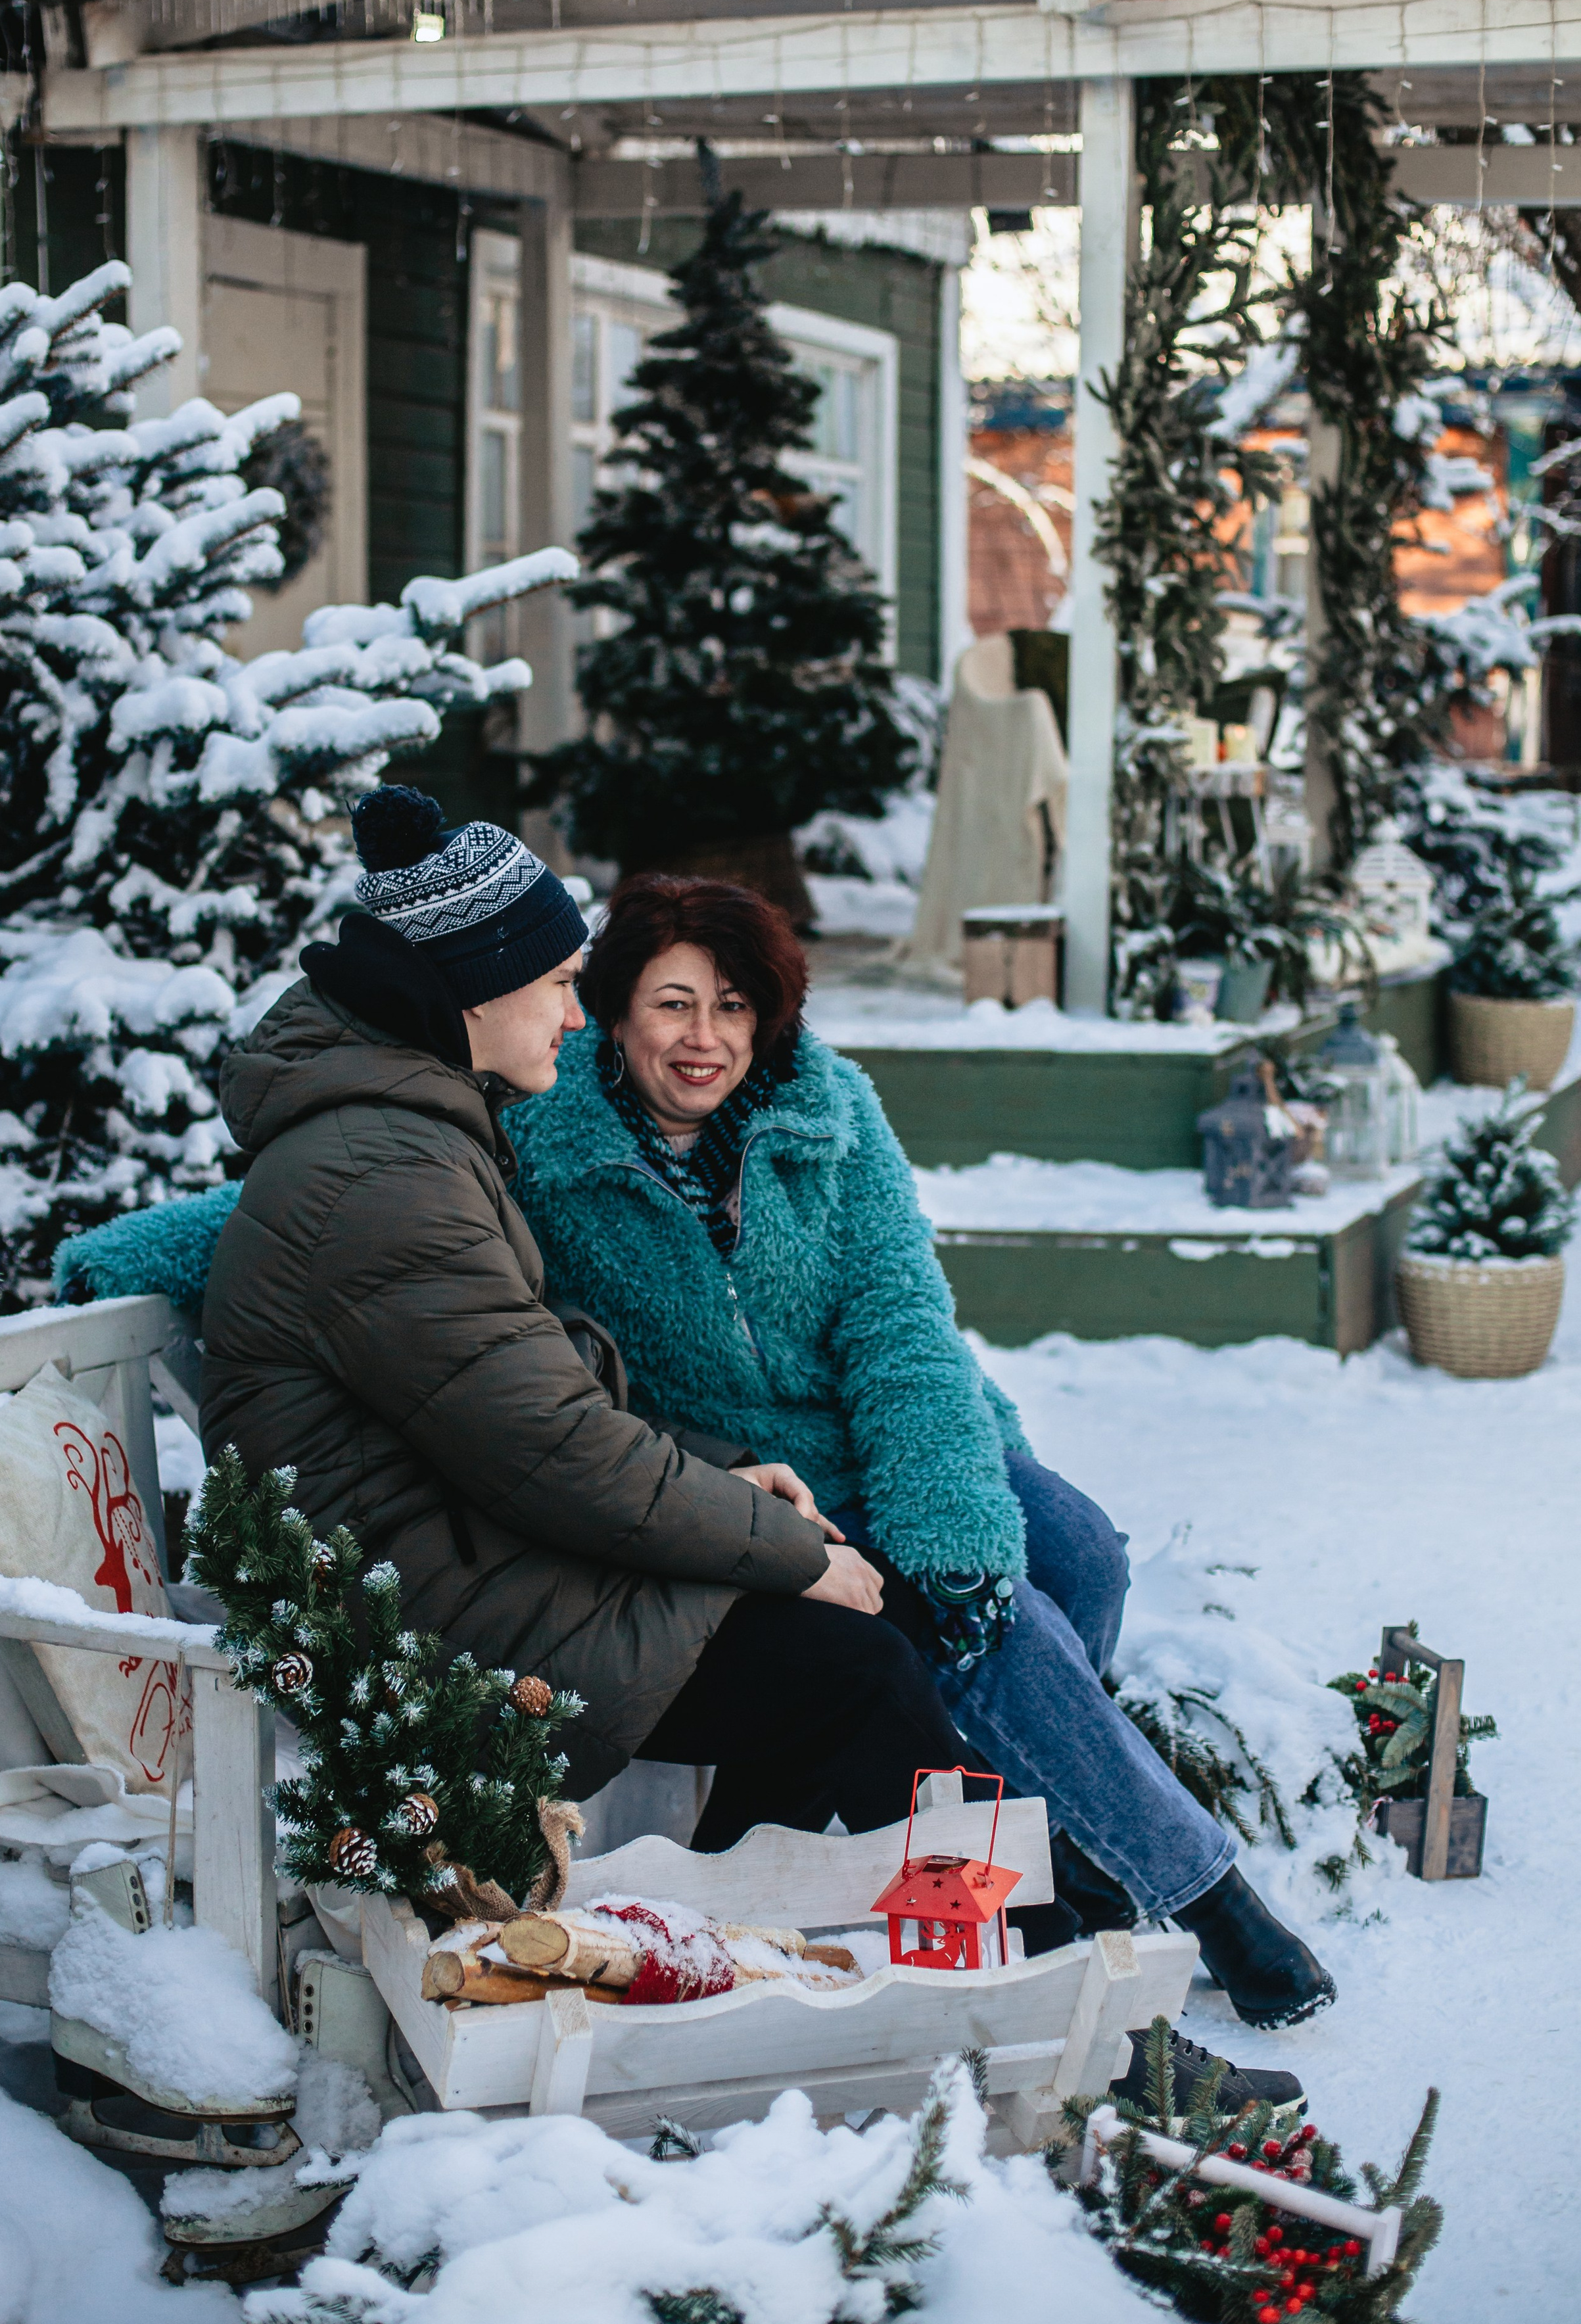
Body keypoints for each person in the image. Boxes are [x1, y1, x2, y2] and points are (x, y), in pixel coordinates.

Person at [507, 870, 1338, 2034]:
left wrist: (947, 1521)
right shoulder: (543, 1145)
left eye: (736, 1007)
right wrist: (154, 1248)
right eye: (674, 1005)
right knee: (998, 1634)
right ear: (612, 1010)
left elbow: (902, 1323)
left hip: (920, 1420)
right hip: (770, 1475)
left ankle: (1043, 1830)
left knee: (1082, 1559)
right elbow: (312, 1213)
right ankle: (1209, 1896)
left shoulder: (830, 1110)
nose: (707, 1040)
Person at [198, 784, 979, 1846]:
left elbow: (530, 1396)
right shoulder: (384, 1174)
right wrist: (783, 1547)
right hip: (413, 1618)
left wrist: (720, 1473)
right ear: (478, 988)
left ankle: (739, 1942)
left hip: (470, 1555)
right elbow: (551, 1450)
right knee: (856, 1667)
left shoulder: (415, 1137)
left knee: (854, 1651)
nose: (576, 1015)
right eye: (563, 984)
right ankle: (1023, 1940)